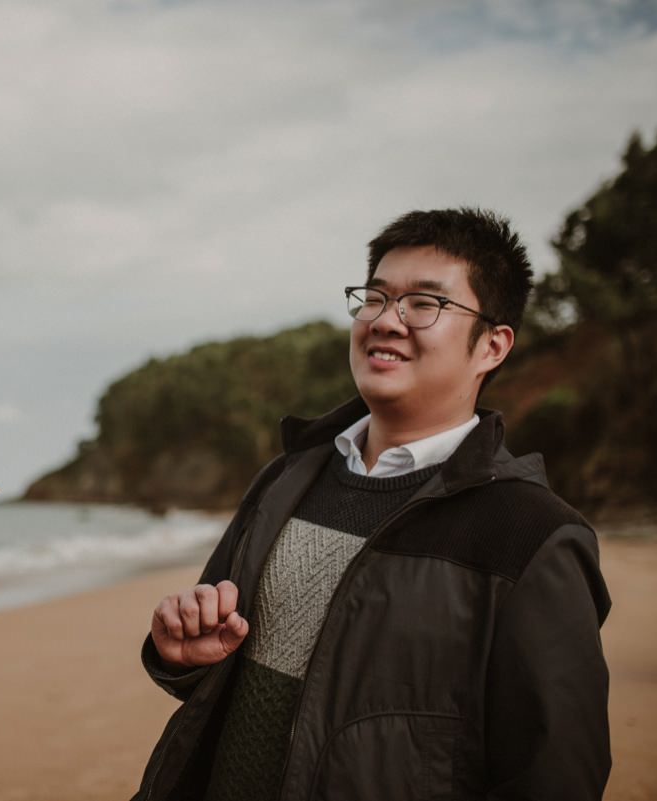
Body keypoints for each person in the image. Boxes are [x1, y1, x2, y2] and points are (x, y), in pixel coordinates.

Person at [133, 208, 611, 801]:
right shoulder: (288, 478)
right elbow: (217, 678)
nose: (387, 321)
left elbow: (554, 775)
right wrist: (181, 656)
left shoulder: (532, 535)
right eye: (376, 298)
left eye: (424, 304)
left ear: (492, 345)